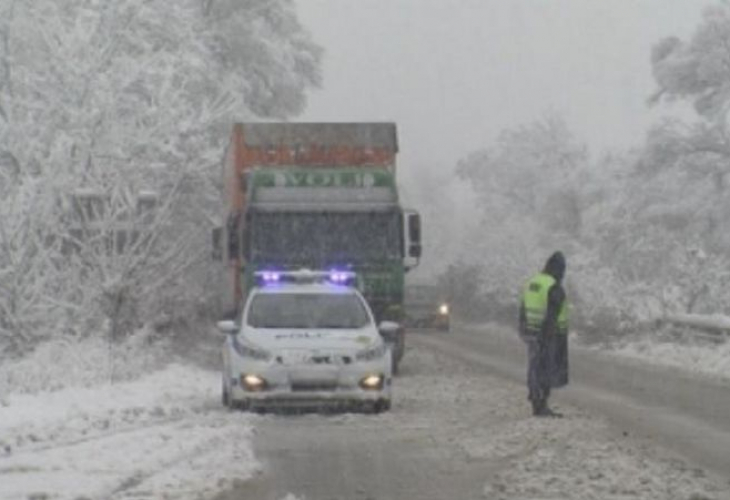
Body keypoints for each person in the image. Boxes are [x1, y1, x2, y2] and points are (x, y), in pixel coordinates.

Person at [519, 251, 569, 417]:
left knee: (534, 367)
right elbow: (552, 315)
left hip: (530, 331)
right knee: (544, 369)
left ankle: (536, 401)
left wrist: (523, 330)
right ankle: (541, 405)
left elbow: (522, 309)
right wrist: (547, 336)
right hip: (549, 335)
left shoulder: (531, 282)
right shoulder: (553, 286)